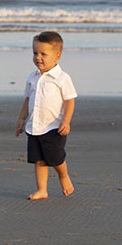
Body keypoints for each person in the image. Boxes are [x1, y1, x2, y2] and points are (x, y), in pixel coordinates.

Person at [15, 31, 77, 200]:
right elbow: (28, 100)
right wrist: (21, 119)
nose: (38, 57)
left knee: (56, 158)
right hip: (35, 126)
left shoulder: (62, 78)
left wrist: (67, 121)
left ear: (57, 56)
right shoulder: (32, 77)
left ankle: (64, 176)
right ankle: (42, 189)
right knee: (39, 160)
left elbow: (70, 100)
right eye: (35, 53)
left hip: (53, 127)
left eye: (43, 54)